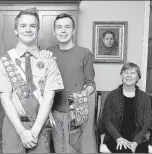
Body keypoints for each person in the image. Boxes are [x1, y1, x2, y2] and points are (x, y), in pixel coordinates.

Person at [0, 7, 64, 153]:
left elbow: (49, 99)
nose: (28, 29)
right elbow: (5, 98)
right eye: (23, 26)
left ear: (38, 30)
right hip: (14, 125)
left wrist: (35, 131)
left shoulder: (48, 59)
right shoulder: (4, 60)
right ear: (16, 30)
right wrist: (21, 132)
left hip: (40, 125)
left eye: (32, 26)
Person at [46, 13, 96, 153]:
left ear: (73, 31)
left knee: (74, 149)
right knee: (58, 149)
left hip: (75, 112)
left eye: (67, 27)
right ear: (54, 32)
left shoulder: (85, 53)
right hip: (53, 111)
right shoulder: (49, 52)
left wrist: (84, 93)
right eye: (59, 27)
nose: (63, 31)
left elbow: (91, 83)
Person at [100, 62, 152, 153]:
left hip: (137, 137)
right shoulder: (112, 96)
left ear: (138, 77)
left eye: (132, 73)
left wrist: (135, 142)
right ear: (121, 76)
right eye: (125, 72)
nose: (129, 75)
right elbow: (106, 120)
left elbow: (146, 124)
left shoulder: (145, 98)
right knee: (125, 151)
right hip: (115, 137)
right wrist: (118, 138)